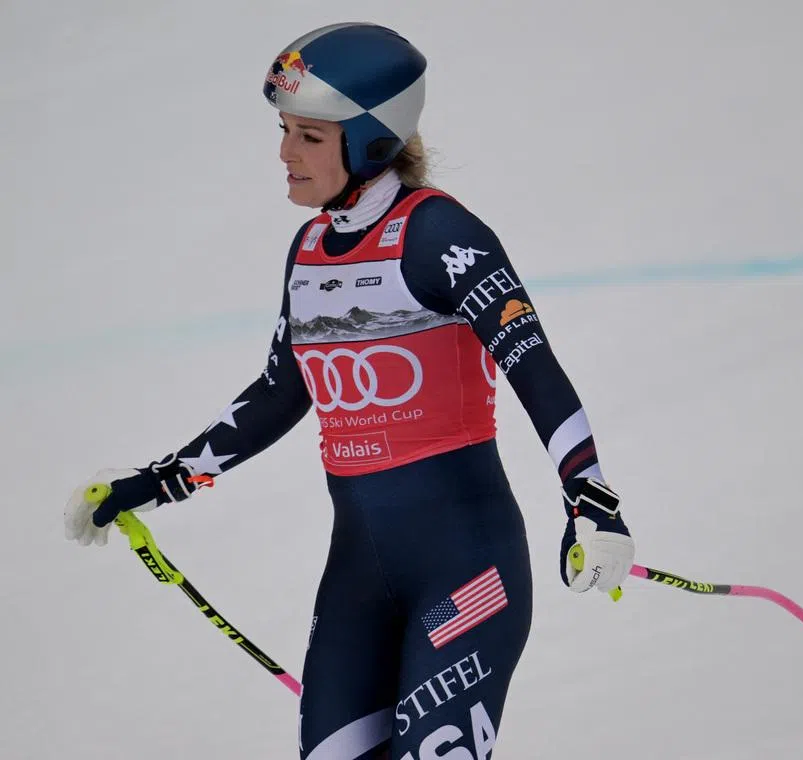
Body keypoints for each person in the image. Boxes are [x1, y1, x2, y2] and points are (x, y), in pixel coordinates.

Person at [63, 22, 635, 760]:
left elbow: (534, 366)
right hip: (359, 584)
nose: (285, 153)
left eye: (308, 136)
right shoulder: (309, 252)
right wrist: (157, 481)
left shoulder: (437, 233)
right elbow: (281, 391)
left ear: (370, 142)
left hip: (466, 574)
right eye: (284, 130)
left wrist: (590, 497)